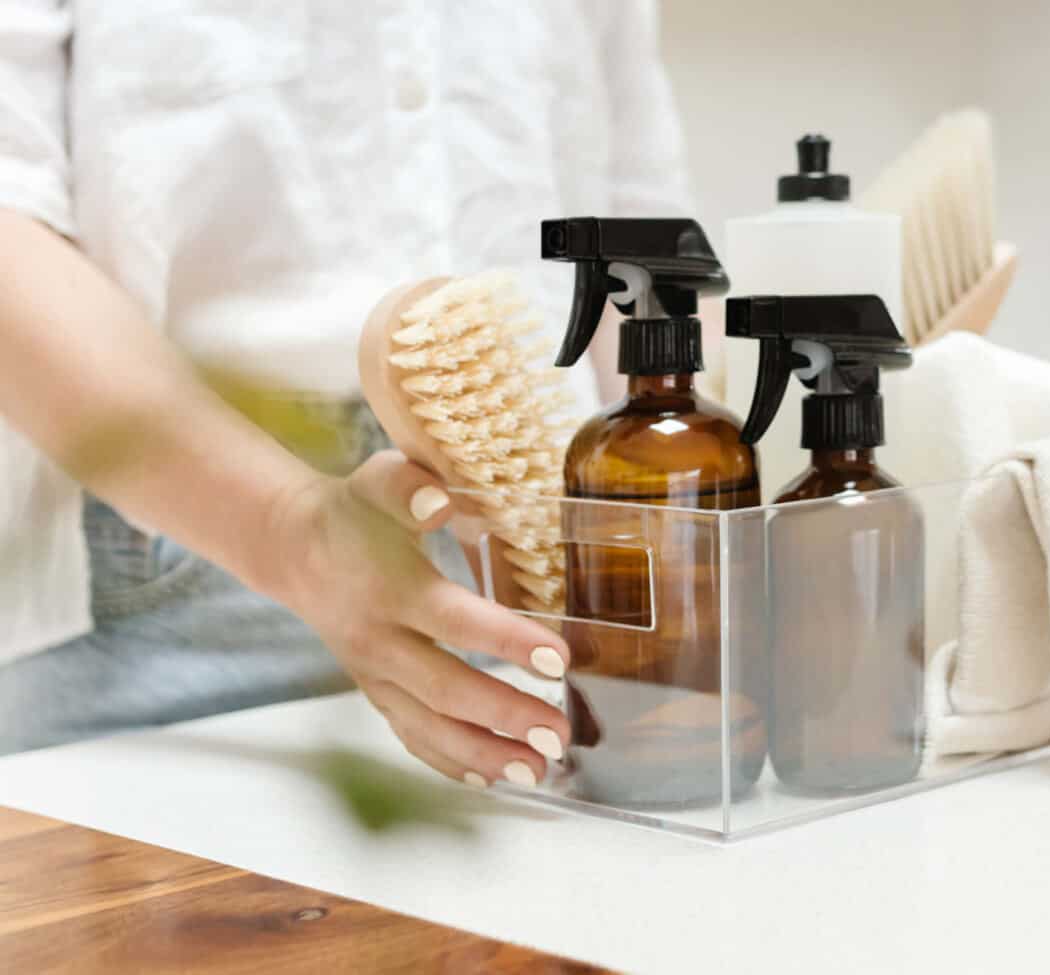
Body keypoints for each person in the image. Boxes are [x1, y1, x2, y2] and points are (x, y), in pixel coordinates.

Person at [0, 1, 694, 788]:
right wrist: (286, 525)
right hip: (171, 571)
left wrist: (684, 537)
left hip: (556, 543)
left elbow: (635, 216)